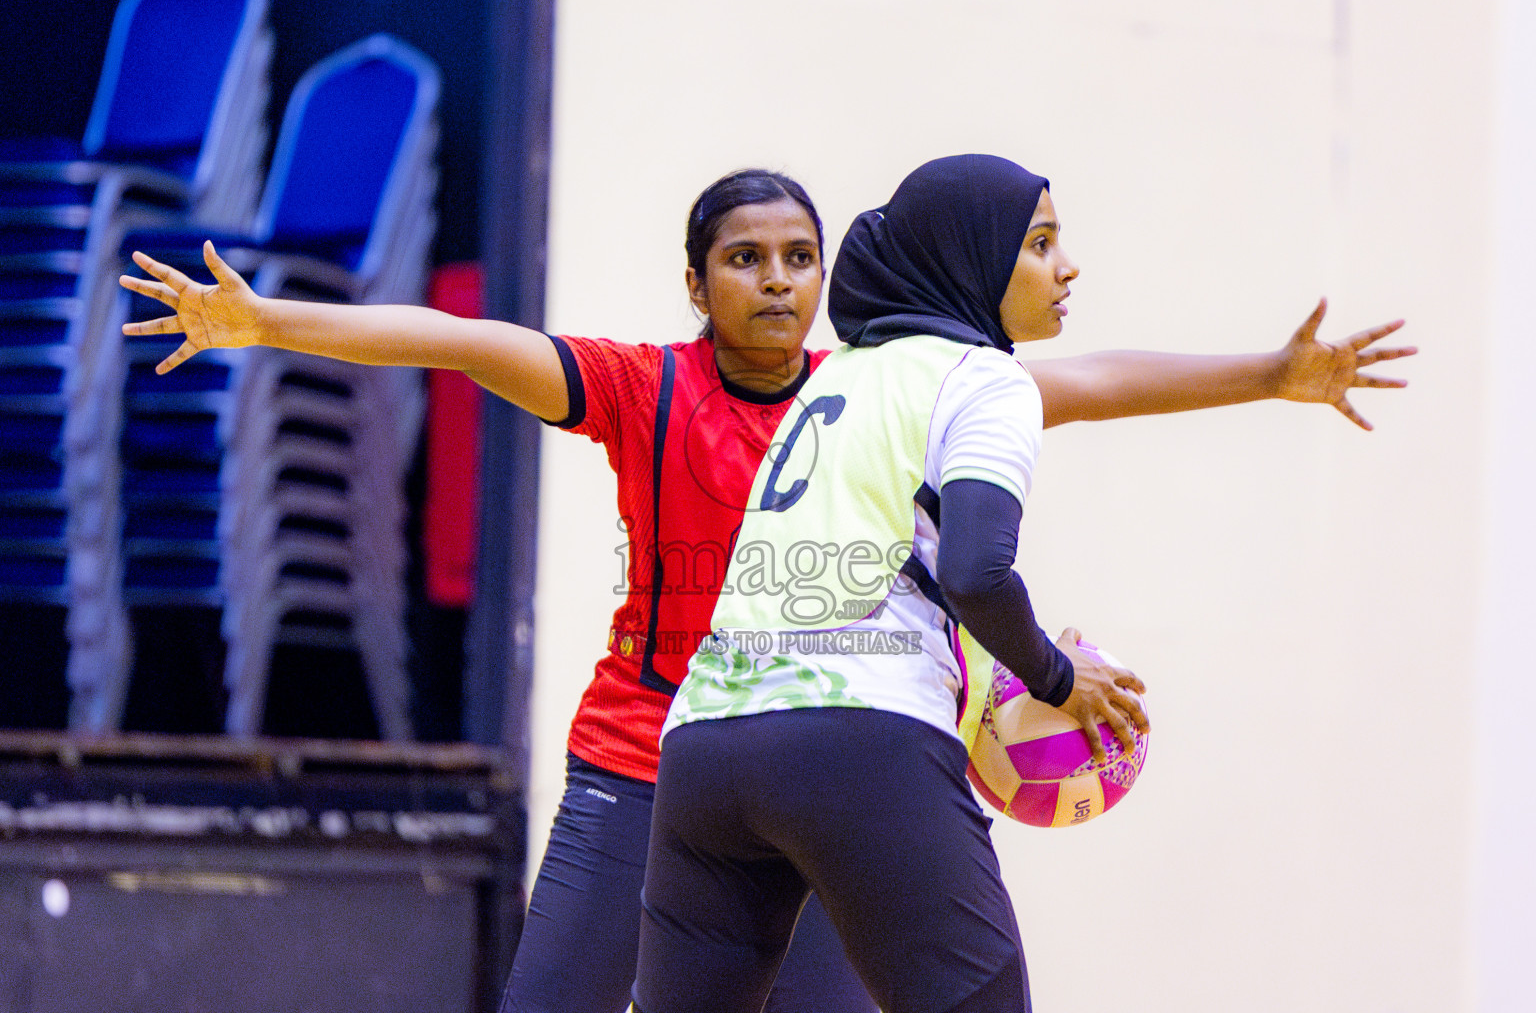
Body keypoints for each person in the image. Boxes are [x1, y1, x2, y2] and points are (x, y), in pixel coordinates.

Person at [120, 166, 1412, 1013]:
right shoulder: (652, 385)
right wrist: (274, 322)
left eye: (799, 254)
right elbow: (468, 343)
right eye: (745, 257)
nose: (778, 279)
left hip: (765, 762)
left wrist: (1266, 373)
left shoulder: (867, 380)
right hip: (656, 761)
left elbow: (1093, 379)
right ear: (699, 283)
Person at [630, 154, 1409, 1013]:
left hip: (705, 745)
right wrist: (1057, 678)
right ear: (971, 259)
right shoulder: (979, 379)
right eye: (1039, 244)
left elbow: (1104, 381)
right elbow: (975, 570)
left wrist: (1269, 375)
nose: (1067, 266)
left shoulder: (842, 377)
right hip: (856, 738)